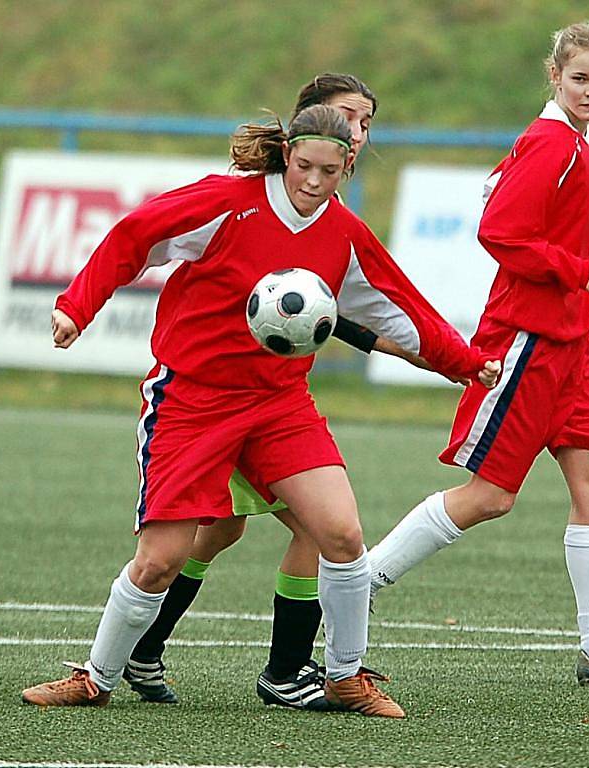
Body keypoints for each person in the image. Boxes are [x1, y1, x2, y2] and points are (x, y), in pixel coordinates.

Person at [20, 104, 500, 717]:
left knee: (342, 533)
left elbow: (394, 306)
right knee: (160, 561)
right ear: (286, 155)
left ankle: (345, 678)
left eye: (329, 170)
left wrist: (463, 362)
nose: (314, 182)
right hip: (191, 400)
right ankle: (97, 676)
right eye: (303, 166)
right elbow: (133, 235)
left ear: (347, 164)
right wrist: (76, 308)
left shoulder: (345, 233)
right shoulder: (228, 202)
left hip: (279, 404)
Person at [120, 74, 467, 711]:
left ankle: (282, 666)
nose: (359, 132)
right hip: (213, 394)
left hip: (271, 397)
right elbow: (312, 301)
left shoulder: (335, 221)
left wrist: (436, 355)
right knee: (219, 533)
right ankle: (163, 652)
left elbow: (345, 310)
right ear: (302, 133)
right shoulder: (259, 196)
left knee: (307, 529)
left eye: (367, 123)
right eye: (350, 118)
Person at [367, 20, 589, 689]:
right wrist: (577, 265)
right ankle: (356, 583)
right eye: (580, 78)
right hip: (528, 342)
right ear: (553, 76)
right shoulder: (549, 141)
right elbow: (497, 228)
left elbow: (500, 198)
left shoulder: (569, 141)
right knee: (489, 497)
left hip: (570, 345)